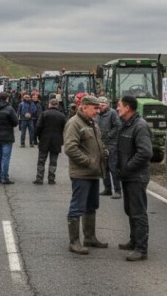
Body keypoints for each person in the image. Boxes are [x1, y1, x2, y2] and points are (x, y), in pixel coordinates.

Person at [63, 94, 108, 255]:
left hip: (93, 173)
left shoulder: (92, 123)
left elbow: (96, 144)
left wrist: (103, 153)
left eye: (98, 108)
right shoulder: (74, 123)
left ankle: (90, 237)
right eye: (95, 108)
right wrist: (88, 161)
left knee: (91, 206)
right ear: (84, 107)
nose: (97, 111)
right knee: (77, 207)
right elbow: (70, 148)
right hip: (81, 173)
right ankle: (74, 242)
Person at [116, 95, 153, 261]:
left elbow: (145, 152)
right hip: (128, 176)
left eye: (119, 105)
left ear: (127, 108)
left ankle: (141, 249)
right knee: (130, 210)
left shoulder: (140, 126)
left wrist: (128, 166)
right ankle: (133, 240)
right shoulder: (126, 124)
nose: (117, 108)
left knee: (138, 213)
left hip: (136, 176)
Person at [33, 99, 66, 185]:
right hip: (56, 140)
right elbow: (64, 129)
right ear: (57, 105)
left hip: (44, 139)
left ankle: (39, 178)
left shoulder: (44, 114)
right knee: (53, 161)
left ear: (49, 104)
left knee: (41, 160)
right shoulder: (62, 116)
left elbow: (38, 127)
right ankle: (51, 178)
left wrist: (36, 137)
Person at [96, 96, 123, 198]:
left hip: (112, 145)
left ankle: (117, 190)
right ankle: (107, 188)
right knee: (104, 168)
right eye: (99, 105)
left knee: (113, 167)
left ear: (107, 105)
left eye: (102, 105)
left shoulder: (112, 113)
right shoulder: (98, 114)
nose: (101, 107)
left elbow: (118, 126)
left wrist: (109, 135)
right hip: (101, 144)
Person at [0, 92, 18, 184]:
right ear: (7, 99)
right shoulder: (9, 109)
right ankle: (4, 177)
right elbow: (15, 122)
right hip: (7, 136)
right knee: (5, 158)